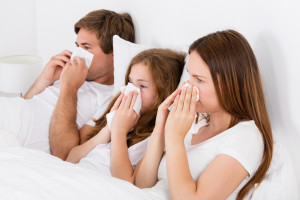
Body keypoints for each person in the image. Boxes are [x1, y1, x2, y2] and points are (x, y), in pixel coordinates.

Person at [134, 30, 273, 200]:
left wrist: (175, 139)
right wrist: (160, 131)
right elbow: (140, 185)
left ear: (230, 84)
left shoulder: (246, 136)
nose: (188, 86)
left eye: (199, 80)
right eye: (189, 76)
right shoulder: (193, 124)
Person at [0, 9, 135, 155]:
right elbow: (26, 106)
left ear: (115, 53)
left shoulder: (110, 99)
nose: (78, 54)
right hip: (9, 115)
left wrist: (69, 87)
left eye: (86, 47)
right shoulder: (72, 74)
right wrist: (45, 79)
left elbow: (63, 154)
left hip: (17, 135)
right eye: (78, 46)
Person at [65, 48, 185, 183]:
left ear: (164, 93)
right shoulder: (117, 112)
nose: (131, 91)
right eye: (130, 82)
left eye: (142, 86)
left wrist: (119, 133)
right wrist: (108, 129)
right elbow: (70, 159)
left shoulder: (155, 135)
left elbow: (126, 183)